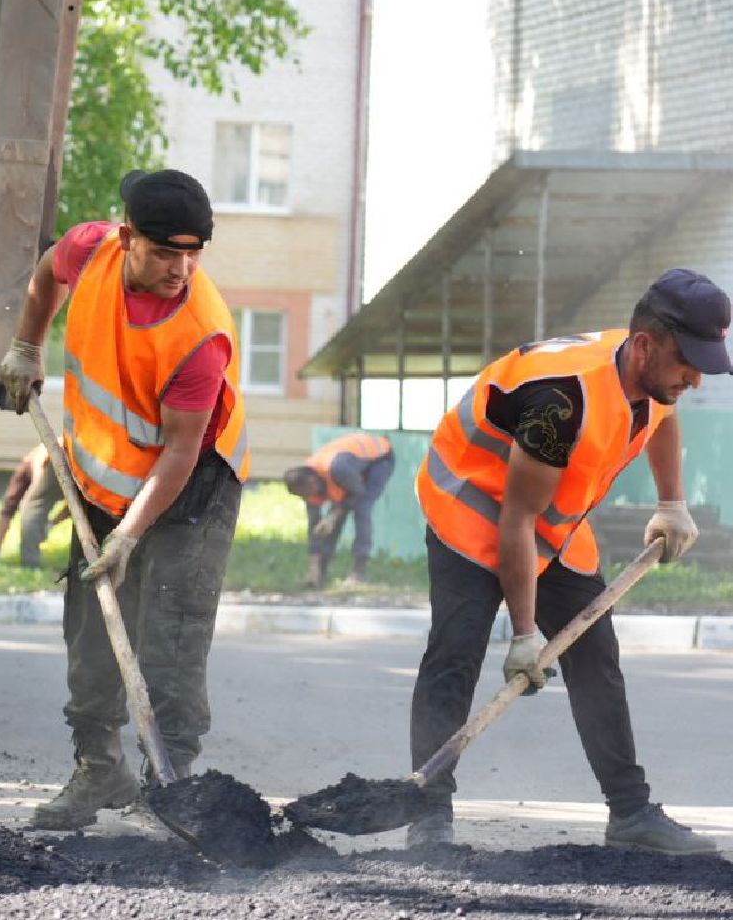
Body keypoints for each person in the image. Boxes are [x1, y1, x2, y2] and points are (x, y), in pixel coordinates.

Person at [407, 268, 728, 854]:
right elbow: (515, 519)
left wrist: (671, 503)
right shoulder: (560, 401)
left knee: (596, 654)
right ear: (645, 346)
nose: (696, 379)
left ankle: (631, 814)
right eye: (689, 363)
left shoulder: (650, 373)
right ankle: (428, 813)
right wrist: (523, 635)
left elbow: (664, 414)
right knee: (455, 654)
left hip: (549, 521)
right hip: (471, 508)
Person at [0, 169, 249, 831]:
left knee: (169, 640)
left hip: (192, 488)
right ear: (127, 237)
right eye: (165, 253)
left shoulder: (201, 337)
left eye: (193, 255)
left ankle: (172, 787)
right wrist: (26, 346)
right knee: (91, 634)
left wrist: (129, 536)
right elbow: (46, 272)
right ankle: (98, 769)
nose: (180, 270)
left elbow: (180, 452)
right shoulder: (90, 251)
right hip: (102, 478)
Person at [282, 432, 395, 587]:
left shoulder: (338, 469)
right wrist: (313, 568)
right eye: (301, 496)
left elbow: (357, 492)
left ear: (312, 482)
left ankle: (360, 572)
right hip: (352, 469)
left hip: (380, 458)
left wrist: (333, 516)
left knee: (361, 507)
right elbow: (314, 528)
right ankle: (320, 574)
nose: (306, 499)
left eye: (305, 494)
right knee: (333, 518)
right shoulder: (306, 485)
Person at [0, 444, 66, 570]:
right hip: (35, 466)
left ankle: (30, 564)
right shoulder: (50, 451)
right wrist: (34, 488)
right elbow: (39, 459)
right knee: (10, 506)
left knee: (31, 510)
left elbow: (73, 507)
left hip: (55, 466)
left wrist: (52, 523)